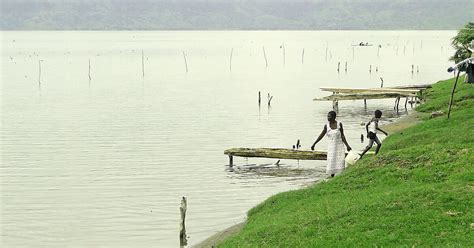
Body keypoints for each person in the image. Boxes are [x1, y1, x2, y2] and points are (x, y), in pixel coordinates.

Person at [311, 111, 352, 177]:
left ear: (334, 117)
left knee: (340, 160)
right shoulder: (326, 126)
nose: (328, 118)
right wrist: (314, 144)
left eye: (329, 116)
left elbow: (342, 136)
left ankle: (341, 175)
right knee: (331, 161)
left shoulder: (339, 124)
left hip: (339, 146)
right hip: (331, 147)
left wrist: (347, 145)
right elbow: (321, 135)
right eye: (327, 116)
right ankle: (332, 175)